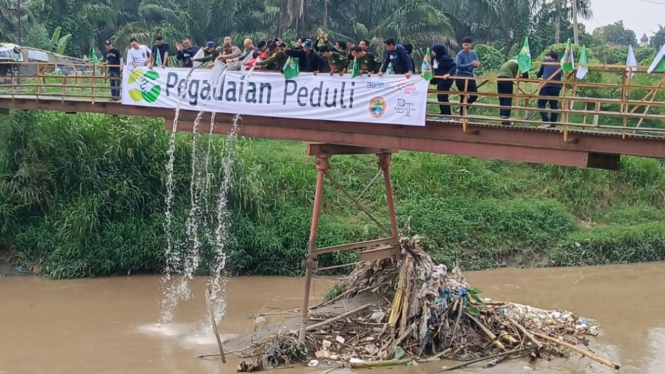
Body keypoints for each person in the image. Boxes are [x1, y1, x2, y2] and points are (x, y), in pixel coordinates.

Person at [496, 59, 529, 126]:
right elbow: (525, 74)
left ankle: (502, 117)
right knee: (508, 98)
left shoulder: (511, 62)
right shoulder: (521, 62)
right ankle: (505, 118)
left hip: (499, 77)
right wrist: (525, 78)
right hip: (507, 78)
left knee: (502, 98)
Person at [430, 44, 457, 122]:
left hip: (445, 80)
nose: (432, 52)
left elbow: (454, 66)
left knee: (443, 97)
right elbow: (432, 67)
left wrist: (449, 74)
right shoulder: (434, 58)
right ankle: (443, 115)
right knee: (440, 97)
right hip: (438, 78)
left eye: (434, 50)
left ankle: (448, 116)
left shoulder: (445, 58)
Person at [536, 51, 563, 128]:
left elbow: (539, 73)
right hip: (557, 87)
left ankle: (546, 121)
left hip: (547, 85)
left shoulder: (546, 61)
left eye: (547, 56)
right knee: (553, 105)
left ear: (550, 57)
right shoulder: (560, 64)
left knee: (541, 104)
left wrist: (537, 76)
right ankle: (553, 122)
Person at [455, 37, 480, 115]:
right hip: (460, 76)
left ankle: (464, 107)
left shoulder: (473, 53)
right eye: (465, 45)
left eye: (468, 45)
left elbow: (476, 62)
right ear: (462, 45)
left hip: (470, 76)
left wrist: (477, 64)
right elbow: (459, 66)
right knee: (463, 96)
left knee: (474, 95)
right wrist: (470, 64)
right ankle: (462, 113)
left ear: (470, 45)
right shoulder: (460, 54)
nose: (466, 46)